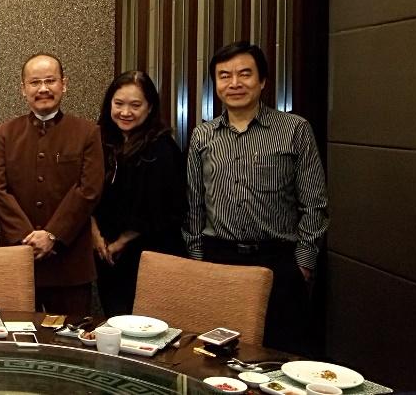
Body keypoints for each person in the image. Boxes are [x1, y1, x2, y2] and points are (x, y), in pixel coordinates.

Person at [185, 41, 329, 354]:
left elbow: (315, 204)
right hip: (219, 258)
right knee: (218, 356)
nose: (234, 83)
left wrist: (303, 263)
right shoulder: (202, 135)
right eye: (224, 76)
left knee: (281, 356)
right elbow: (193, 205)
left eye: (244, 74)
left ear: (262, 81)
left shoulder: (295, 129)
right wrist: (197, 259)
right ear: (216, 84)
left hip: (278, 260)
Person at [0, 53, 104, 316]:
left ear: (64, 84)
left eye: (50, 81)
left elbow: (89, 190)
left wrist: (52, 235)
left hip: (69, 263)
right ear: (23, 89)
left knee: (71, 344)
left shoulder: (87, 132)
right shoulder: (5, 133)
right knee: (15, 344)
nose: (43, 89)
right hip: (18, 258)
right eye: (35, 82)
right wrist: (27, 238)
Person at [91, 71, 186, 317]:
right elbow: (83, 191)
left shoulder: (162, 148)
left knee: (145, 327)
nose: (125, 112)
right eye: (118, 103)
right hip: (106, 255)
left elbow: (167, 208)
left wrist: (122, 241)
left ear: (150, 107)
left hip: (150, 254)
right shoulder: (98, 141)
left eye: (135, 105)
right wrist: (95, 234)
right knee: (115, 320)